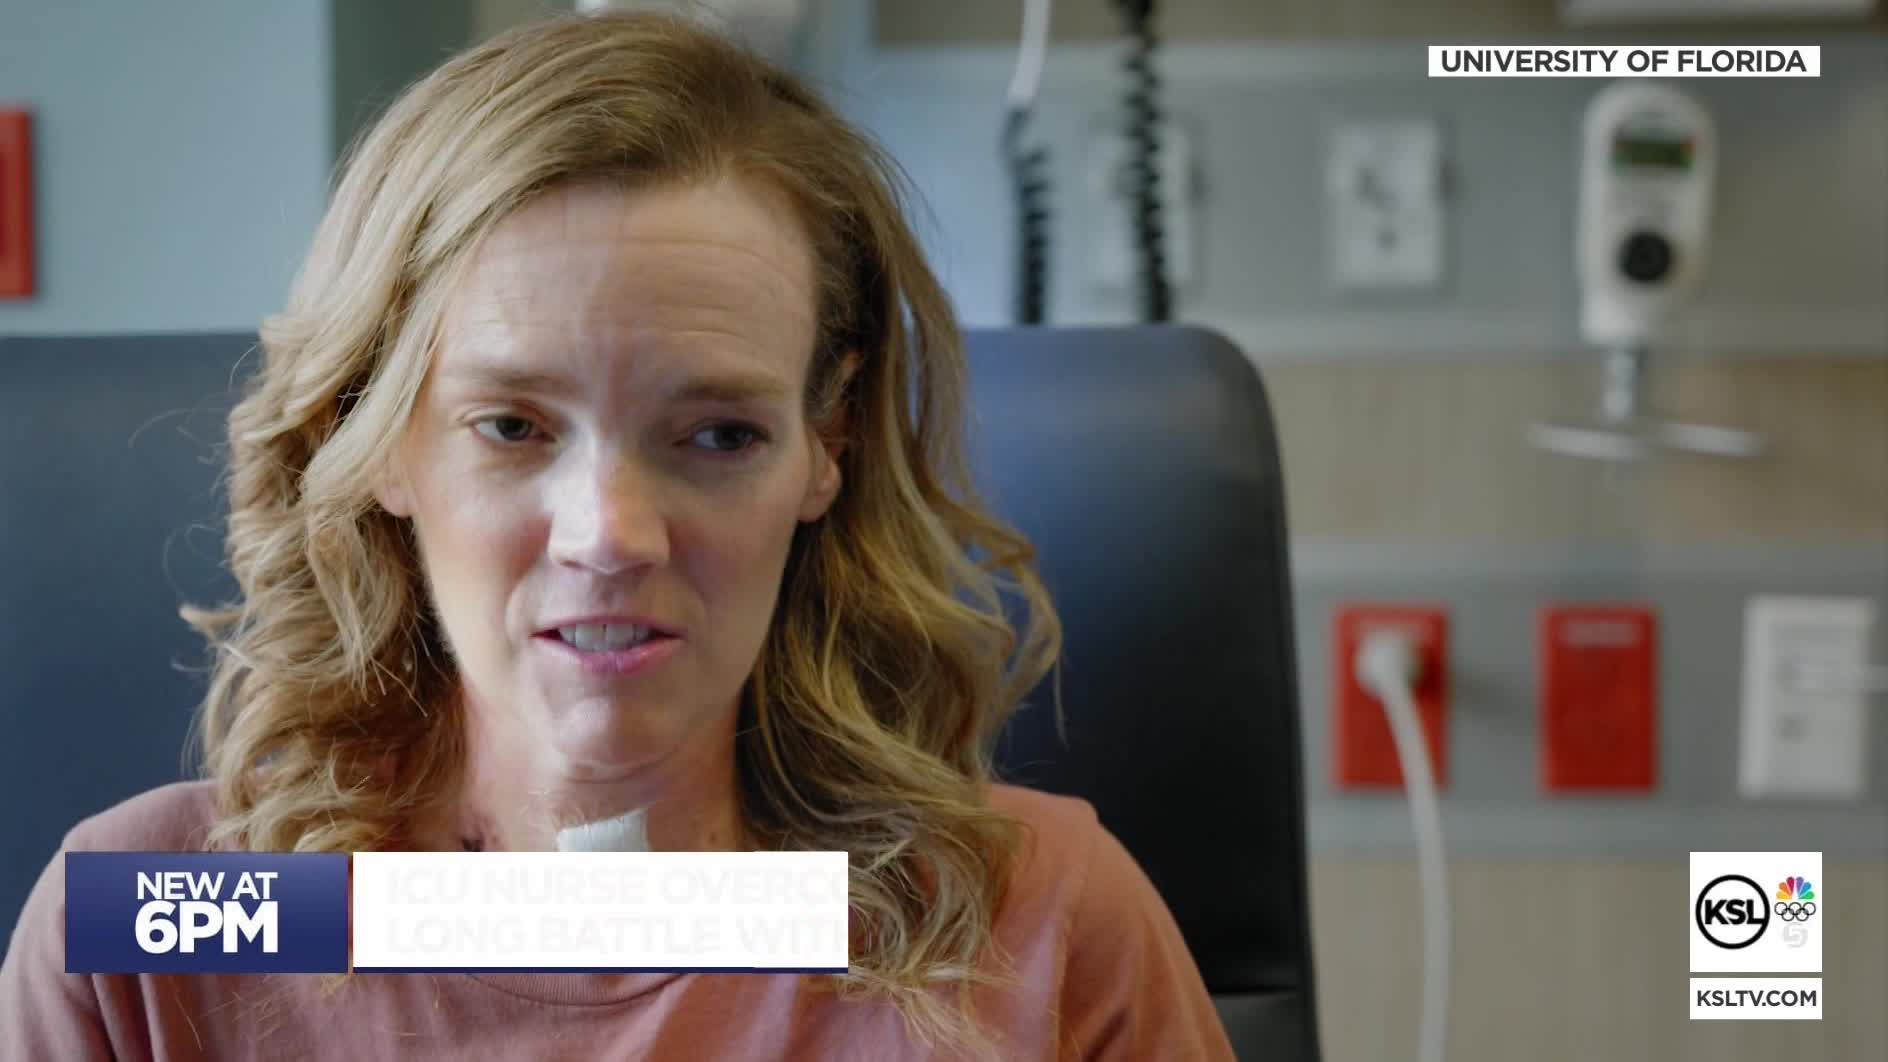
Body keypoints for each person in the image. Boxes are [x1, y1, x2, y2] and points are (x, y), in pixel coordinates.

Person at [0, 13, 1235, 1060]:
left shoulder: (1039, 926)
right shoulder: (152, 933)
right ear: (374, 438)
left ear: (829, 444)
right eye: (511, 426)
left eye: (718, 436)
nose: (609, 536)